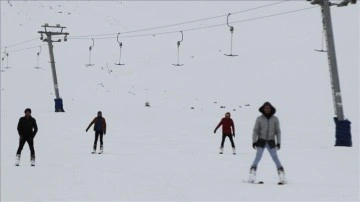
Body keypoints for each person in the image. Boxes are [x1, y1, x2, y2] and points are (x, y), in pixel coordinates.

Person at [248, 102, 286, 184]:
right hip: (261, 141)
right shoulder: (259, 118)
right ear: (263, 109)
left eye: (268, 108)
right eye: (265, 108)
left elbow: (278, 132)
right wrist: (254, 141)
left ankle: (282, 176)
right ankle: (252, 176)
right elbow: (255, 131)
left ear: (271, 109)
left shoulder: (275, 119)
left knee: (275, 157)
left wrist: (278, 142)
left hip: (271, 142)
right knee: (258, 157)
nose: (267, 109)